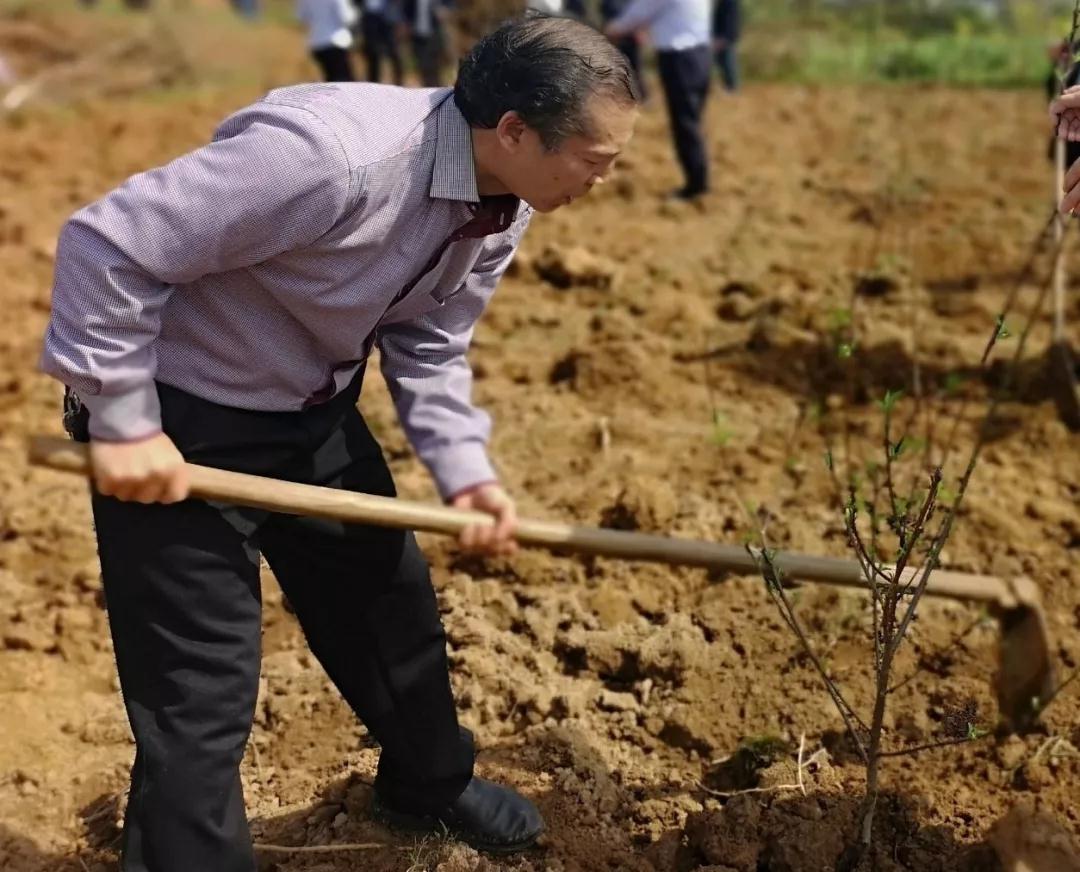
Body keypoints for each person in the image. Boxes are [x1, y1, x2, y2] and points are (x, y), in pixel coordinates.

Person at [40, 14, 638, 872]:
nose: (603, 179)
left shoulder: (503, 201)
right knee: (198, 692)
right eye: (596, 158)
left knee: (388, 605)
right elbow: (108, 243)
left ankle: (427, 788)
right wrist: (126, 422)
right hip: (179, 419)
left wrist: (466, 476)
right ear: (514, 130)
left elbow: (430, 342)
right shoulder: (330, 157)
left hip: (308, 409)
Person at [606, 0, 710, 200]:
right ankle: (698, 179)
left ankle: (696, 186)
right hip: (700, 55)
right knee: (692, 120)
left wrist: (615, 28)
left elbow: (643, 9)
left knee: (685, 123)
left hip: (680, 58)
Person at [297, 0, 358, 82]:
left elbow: (302, 17)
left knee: (331, 78)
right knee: (344, 80)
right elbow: (346, 18)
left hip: (316, 42)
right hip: (336, 42)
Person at [601, 0, 647, 102]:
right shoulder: (608, 3)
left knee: (634, 67)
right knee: (616, 67)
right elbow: (606, 12)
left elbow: (639, 13)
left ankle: (640, 96)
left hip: (630, 36)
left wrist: (640, 30)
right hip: (614, 35)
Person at [401, 0, 453, 87]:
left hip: (434, 35)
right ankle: (428, 89)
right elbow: (406, 9)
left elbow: (449, 4)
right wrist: (407, 24)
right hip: (417, 35)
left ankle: (437, 90)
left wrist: (445, 10)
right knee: (423, 66)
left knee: (435, 67)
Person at [360, 0, 405, 85]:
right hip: (369, 18)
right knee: (372, 54)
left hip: (389, 18)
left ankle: (399, 84)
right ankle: (373, 85)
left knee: (394, 53)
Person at [712, 0, 740, 92]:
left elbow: (731, 21)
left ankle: (731, 87)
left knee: (728, 62)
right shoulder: (723, 2)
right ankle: (728, 86)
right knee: (722, 62)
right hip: (722, 36)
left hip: (726, 37)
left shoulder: (729, 2)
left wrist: (724, 38)